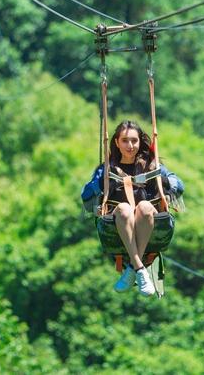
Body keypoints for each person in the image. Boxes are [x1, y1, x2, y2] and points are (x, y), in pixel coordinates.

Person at [81, 120, 184, 296]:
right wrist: (103, 183)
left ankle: (133, 269)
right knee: (124, 209)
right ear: (117, 143)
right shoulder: (107, 168)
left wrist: (165, 182)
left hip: (149, 220)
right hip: (118, 221)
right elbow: (86, 194)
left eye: (134, 141)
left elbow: (178, 184)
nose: (130, 146)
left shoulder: (151, 164)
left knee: (144, 206)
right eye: (125, 141)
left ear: (139, 141)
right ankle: (140, 268)